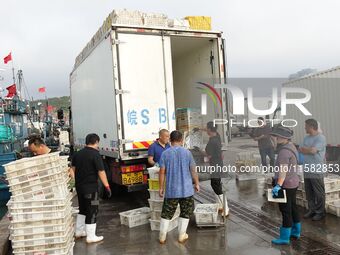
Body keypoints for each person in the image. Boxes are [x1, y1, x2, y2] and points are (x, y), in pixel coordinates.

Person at [158, 130, 200, 244]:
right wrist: (196, 183)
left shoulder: (165, 153)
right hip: (187, 190)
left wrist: (161, 188)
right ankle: (182, 235)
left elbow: (162, 172)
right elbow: (193, 169)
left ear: (170, 140)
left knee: (166, 214)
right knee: (185, 212)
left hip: (172, 191)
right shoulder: (187, 153)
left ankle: (162, 237)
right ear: (181, 140)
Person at [71, 133, 112, 243]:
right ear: (97, 142)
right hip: (91, 189)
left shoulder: (77, 154)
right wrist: (107, 186)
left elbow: (72, 170)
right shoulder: (95, 155)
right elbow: (101, 172)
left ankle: (79, 232)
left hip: (80, 188)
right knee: (92, 210)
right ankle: (91, 236)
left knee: (83, 209)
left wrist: (74, 182)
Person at [270, 125, 301, 245]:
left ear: (283, 137)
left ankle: (284, 237)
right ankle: (296, 232)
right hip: (294, 182)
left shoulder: (283, 152)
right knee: (293, 207)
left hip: (285, 185)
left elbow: (282, 172)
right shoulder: (291, 146)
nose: (275, 138)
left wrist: (278, 186)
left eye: (277, 136)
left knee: (285, 210)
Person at [299, 119, 326, 221]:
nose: (304, 128)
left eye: (306, 126)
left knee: (319, 192)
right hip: (306, 168)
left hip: (316, 169)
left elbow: (313, 151)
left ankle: (320, 212)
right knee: (309, 191)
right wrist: (309, 150)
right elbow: (300, 149)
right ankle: (312, 210)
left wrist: (309, 150)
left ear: (311, 126)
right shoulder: (306, 137)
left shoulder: (321, 138)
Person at [205, 121, 229, 215]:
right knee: (217, 184)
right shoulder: (217, 136)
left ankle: (225, 207)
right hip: (219, 164)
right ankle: (220, 205)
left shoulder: (212, 141)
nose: (205, 129)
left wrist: (199, 151)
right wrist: (199, 129)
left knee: (215, 185)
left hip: (215, 165)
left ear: (210, 129)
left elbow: (209, 155)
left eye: (206, 128)